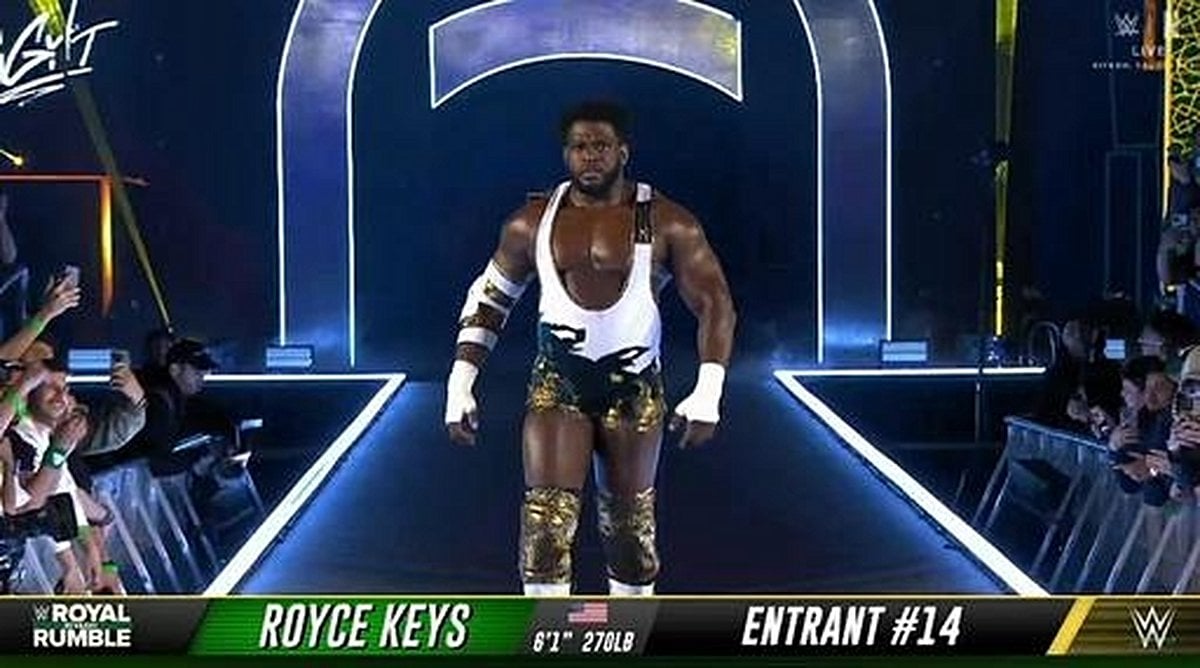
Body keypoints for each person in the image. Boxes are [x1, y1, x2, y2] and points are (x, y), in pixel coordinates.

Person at [443, 101, 737, 597]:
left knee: (630, 533)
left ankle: (626, 632)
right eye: (579, 146)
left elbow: (716, 304)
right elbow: (489, 301)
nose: (590, 156)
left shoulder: (668, 222)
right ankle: (552, 633)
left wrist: (709, 391)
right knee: (544, 530)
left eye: (601, 145)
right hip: (558, 388)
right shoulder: (531, 223)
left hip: (634, 391)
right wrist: (460, 382)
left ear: (623, 151)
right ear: (566, 154)